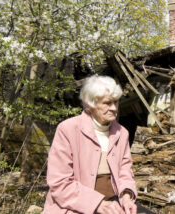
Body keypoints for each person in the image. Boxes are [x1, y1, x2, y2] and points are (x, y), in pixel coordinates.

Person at [43, 75, 137, 214]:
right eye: (107, 103)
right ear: (90, 104)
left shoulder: (122, 133)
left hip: (114, 204)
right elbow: (60, 182)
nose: (114, 108)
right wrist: (98, 204)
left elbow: (125, 171)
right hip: (74, 206)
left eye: (116, 102)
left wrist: (126, 196)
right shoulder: (68, 129)